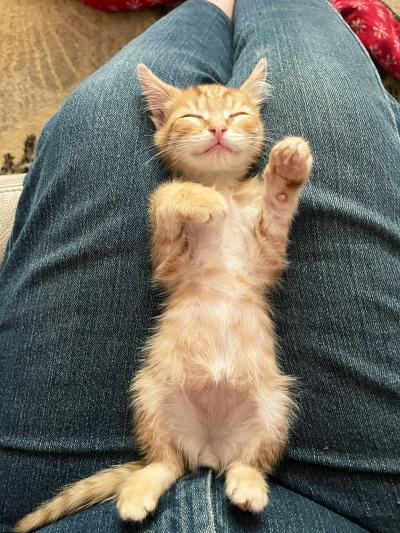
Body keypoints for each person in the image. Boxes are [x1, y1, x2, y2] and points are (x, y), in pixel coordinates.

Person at [1, 0, 399, 531]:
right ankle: (161, 465)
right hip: (199, 401)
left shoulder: (249, 193)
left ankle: (208, 8)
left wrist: (280, 190)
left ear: (256, 131)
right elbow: (169, 269)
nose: (216, 129)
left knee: (274, 402)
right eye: (192, 118)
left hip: (244, 394)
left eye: (236, 118)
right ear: (160, 124)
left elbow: (266, 259)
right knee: (152, 392)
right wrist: (170, 205)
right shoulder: (172, 195)